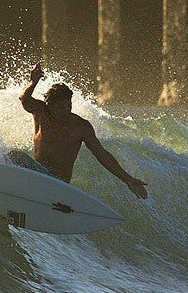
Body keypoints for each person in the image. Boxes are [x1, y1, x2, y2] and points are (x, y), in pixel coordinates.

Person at [19, 62, 148, 199]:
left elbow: (101, 154)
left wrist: (128, 179)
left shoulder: (80, 126)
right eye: (61, 108)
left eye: (69, 106)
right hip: (36, 174)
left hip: (58, 182)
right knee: (15, 156)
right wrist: (33, 82)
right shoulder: (41, 113)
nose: (66, 111)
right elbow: (24, 99)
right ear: (50, 106)